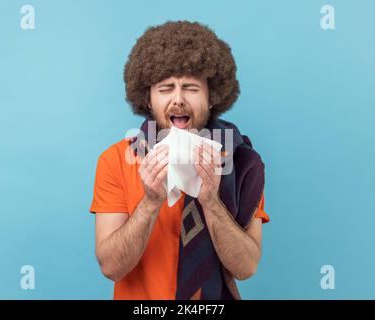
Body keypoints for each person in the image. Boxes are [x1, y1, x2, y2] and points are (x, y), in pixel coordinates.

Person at [89, 20, 270, 300]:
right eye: (165, 89)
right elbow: (111, 267)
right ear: (148, 99)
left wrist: (211, 201)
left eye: (191, 88)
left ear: (212, 97)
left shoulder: (242, 163)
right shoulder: (115, 160)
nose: (178, 100)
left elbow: (246, 268)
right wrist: (150, 202)